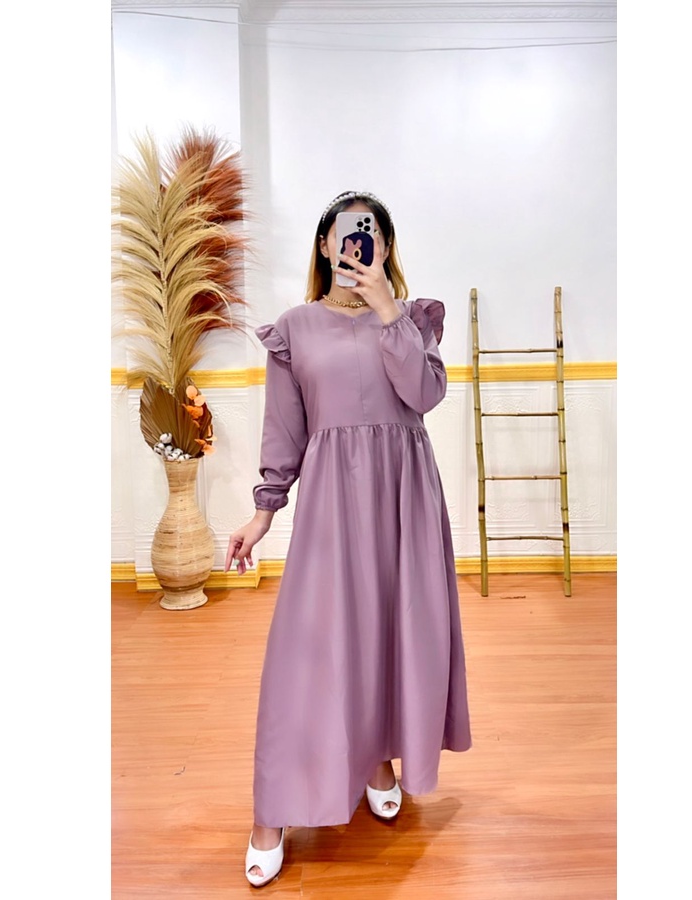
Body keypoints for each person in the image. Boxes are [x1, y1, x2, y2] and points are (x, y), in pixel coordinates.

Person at [225, 190, 472, 887]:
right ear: (325, 246)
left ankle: (376, 760)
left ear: (384, 248)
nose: (355, 245)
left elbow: (423, 396)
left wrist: (389, 311)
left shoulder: (413, 319)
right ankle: (272, 810)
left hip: (405, 501)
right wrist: (264, 510)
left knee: (393, 635)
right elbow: (286, 430)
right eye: (343, 234)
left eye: (369, 235)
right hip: (334, 504)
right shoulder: (295, 328)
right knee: (309, 649)